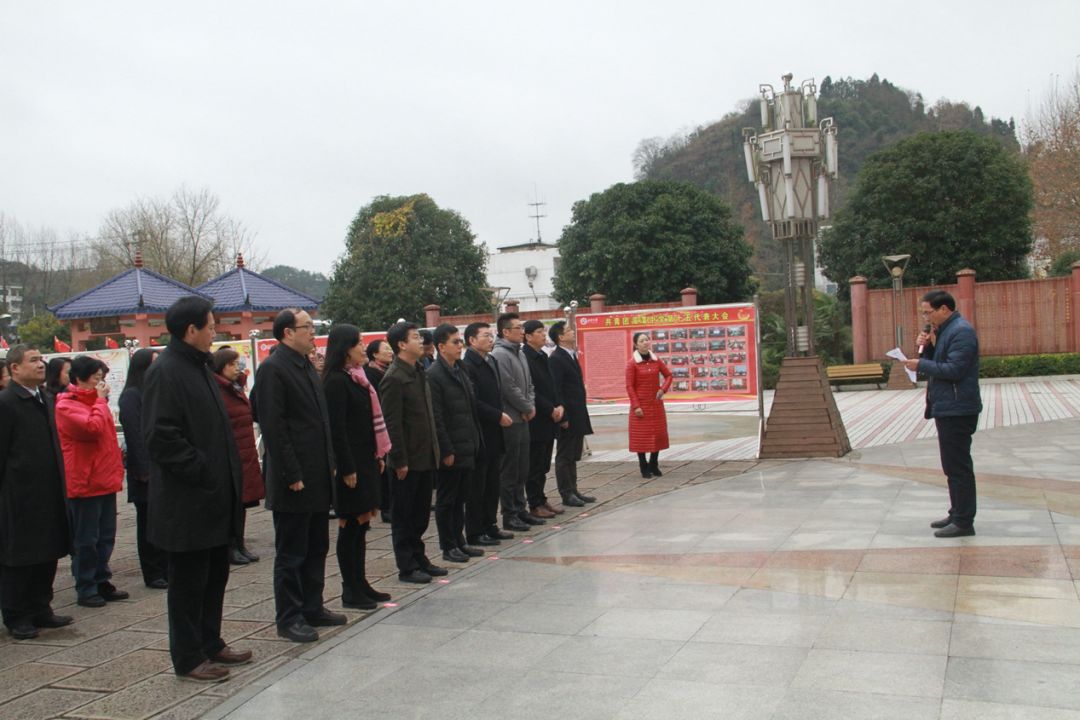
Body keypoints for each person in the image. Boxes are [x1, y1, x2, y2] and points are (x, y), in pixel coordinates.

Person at [144, 296, 249, 682]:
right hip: (187, 501)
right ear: (191, 330)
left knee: (214, 575)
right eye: (210, 325)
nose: (214, 332)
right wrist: (204, 471)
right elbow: (162, 437)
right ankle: (188, 657)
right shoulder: (167, 372)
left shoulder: (199, 367)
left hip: (213, 498)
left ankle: (211, 641)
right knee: (188, 582)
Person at [255, 309, 344, 643]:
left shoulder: (306, 365)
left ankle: (313, 605)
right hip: (294, 478)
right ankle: (289, 617)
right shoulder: (273, 370)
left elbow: (320, 422)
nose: (312, 333)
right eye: (307, 328)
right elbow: (274, 428)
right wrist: (291, 472)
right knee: (291, 553)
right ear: (287, 333)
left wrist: (330, 462)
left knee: (316, 546)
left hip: (318, 473)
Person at [0, 344, 72, 640]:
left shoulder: (45, 397)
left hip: (48, 489)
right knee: (20, 556)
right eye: (33, 360)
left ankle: (41, 607)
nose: (41, 364)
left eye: (42, 359)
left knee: (48, 551)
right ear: (14, 368)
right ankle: (17, 615)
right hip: (18, 493)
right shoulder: (6, 402)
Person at [322, 325, 392, 610]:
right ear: (344, 348)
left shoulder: (358, 378)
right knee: (350, 524)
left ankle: (361, 582)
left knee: (362, 524)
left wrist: (377, 455)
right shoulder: (336, 381)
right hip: (350, 465)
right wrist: (347, 468)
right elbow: (337, 430)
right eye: (358, 344)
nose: (364, 348)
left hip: (365, 458)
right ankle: (350, 589)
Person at [904, 289, 983, 538]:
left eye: (928, 312)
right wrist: (926, 349)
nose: (926, 318)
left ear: (944, 309)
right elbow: (940, 363)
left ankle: (964, 521)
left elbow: (955, 369)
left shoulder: (962, 332)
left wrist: (921, 364)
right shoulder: (945, 330)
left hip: (958, 409)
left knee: (958, 467)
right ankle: (956, 512)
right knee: (951, 465)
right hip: (948, 406)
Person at [55, 356, 127, 608]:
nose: (100, 383)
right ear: (80, 377)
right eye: (96, 377)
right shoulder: (66, 405)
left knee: (106, 536)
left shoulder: (97, 403)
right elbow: (91, 429)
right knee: (87, 539)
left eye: (102, 378)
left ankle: (102, 579)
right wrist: (99, 400)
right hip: (84, 482)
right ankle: (86, 585)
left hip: (105, 479)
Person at [380, 321, 446, 584]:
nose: (421, 341)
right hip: (406, 460)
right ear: (401, 344)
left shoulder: (419, 371)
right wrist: (398, 459)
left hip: (425, 455)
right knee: (404, 515)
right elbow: (392, 423)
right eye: (415, 337)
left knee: (419, 514)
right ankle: (406, 565)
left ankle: (420, 558)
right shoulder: (394, 377)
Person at [427, 323, 484, 563]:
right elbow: (436, 417)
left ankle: (459, 540)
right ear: (441, 346)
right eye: (455, 342)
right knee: (447, 500)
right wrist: (446, 448)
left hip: (467, 443)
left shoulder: (460, 369)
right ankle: (448, 545)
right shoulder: (434, 375)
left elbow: (470, 410)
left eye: (460, 342)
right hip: (451, 448)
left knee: (461, 497)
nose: (460, 346)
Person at [118, 348, 168, 589]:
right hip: (144, 471)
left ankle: (165, 566)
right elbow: (135, 435)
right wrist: (144, 469)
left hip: (161, 468)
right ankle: (153, 571)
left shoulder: (155, 392)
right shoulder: (131, 395)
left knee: (162, 520)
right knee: (147, 522)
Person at [212, 348, 265, 566]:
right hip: (232, 453)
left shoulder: (236, 388)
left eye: (238, 364)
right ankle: (230, 546)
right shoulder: (219, 390)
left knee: (242, 504)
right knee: (231, 505)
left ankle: (240, 543)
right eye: (232, 365)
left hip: (245, 451)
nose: (237, 368)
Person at [462, 322, 513, 547]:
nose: (491, 339)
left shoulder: (489, 360)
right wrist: (496, 415)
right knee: (478, 486)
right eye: (485, 336)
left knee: (493, 481)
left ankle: (490, 524)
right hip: (481, 431)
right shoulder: (468, 365)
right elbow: (474, 400)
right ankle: (475, 530)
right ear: (472, 341)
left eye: (491, 335)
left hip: (495, 430)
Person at [491, 313, 539, 532]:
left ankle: (521, 510)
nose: (522, 331)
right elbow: (508, 387)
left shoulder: (519, 353)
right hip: (512, 419)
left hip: (524, 417)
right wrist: (526, 407)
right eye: (517, 328)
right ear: (505, 332)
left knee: (522, 467)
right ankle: (509, 514)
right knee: (510, 469)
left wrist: (530, 405)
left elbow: (529, 384)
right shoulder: (500, 354)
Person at [548, 321, 596, 507]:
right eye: (568, 330)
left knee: (574, 455)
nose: (572, 332)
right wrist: (564, 417)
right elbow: (556, 390)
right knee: (564, 455)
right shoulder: (556, 358)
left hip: (577, 413)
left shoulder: (570, 355)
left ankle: (574, 490)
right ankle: (566, 494)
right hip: (567, 415)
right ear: (560, 337)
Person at [522, 320, 564, 518]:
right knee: (535, 464)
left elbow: (551, 385)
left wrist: (559, 405)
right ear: (528, 336)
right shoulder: (525, 357)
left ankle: (541, 498)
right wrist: (549, 408)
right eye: (539, 332)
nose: (543, 335)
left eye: (543, 331)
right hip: (537, 418)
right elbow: (532, 390)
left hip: (550, 417)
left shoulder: (542, 355)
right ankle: (534, 502)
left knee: (545, 464)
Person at [626, 331, 672, 478]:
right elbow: (629, 386)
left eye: (647, 340)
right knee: (641, 437)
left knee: (657, 435)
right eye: (642, 341)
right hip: (640, 405)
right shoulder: (632, 363)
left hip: (656, 404)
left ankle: (654, 463)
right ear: (635, 345)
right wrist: (636, 406)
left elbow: (669, 375)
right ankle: (643, 465)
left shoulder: (656, 360)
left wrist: (663, 389)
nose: (645, 342)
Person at [365, 339, 394, 524]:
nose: (390, 351)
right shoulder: (370, 374)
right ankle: (386, 507)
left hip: (388, 425)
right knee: (383, 467)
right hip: (378, 425)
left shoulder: (387, 371)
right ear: (375, 354)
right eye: (386, 349)